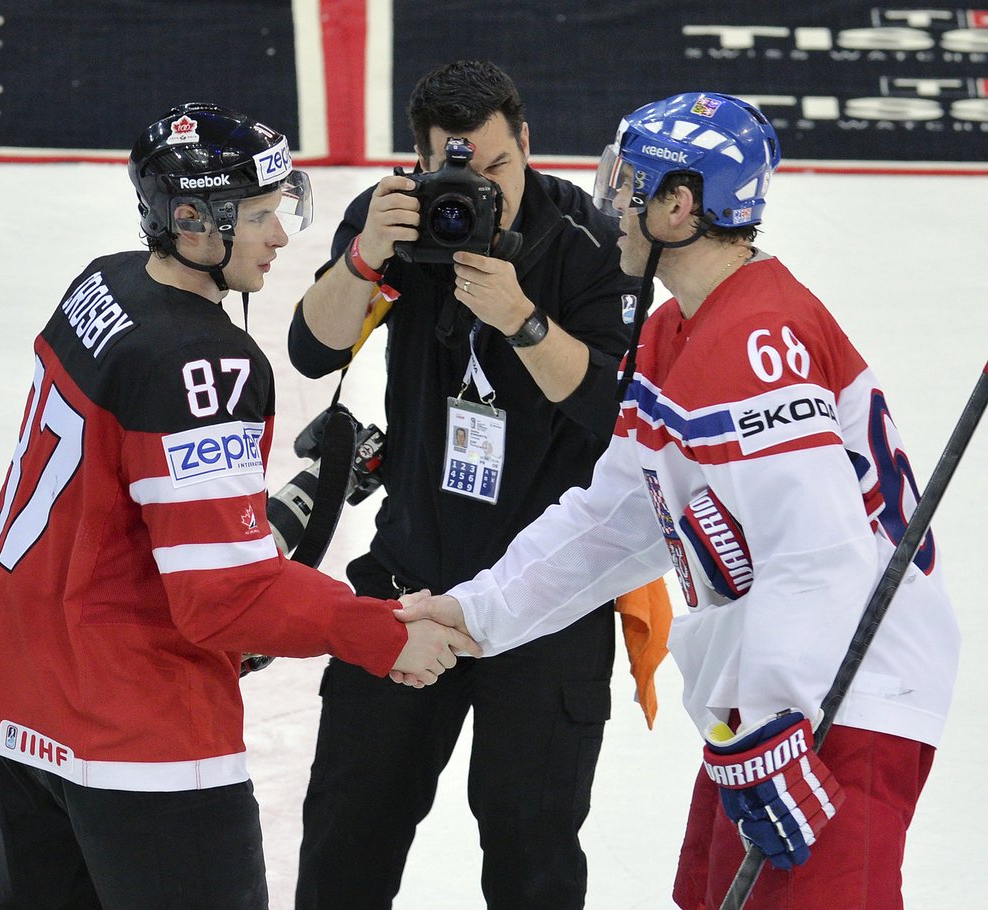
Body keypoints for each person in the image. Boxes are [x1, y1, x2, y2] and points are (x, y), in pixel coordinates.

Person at [395, 92, 961, 909]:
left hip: (838, 707)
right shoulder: (677, 331)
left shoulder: (755, 340)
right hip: (773, 704)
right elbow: (619, 518)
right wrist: (477, 612)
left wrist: (771, 729)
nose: (609, 203)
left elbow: (819, 556)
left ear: (680, 205)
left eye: (627, 184)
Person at [0, 102, 477, 910]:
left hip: (18, 687)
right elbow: (223, 598)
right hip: (134, 729)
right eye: (261, 217)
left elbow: (125, 517)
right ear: (193, 221)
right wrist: (377, 631)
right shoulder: (206, 364)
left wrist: (267, 520)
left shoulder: (103, 282)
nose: (280, 236)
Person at [288, 60, 662, 909]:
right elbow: (313, 350)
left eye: (497, 166)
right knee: (348, 830)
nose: (479, 188)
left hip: (543, 603)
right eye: (456, 170)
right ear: (421, 163)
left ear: (526, 142)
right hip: (407, 577)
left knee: (534, 855)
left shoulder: (590, 242)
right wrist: (361, 257)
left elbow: (612, 410)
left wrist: (523, 322)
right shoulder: (401, 220)